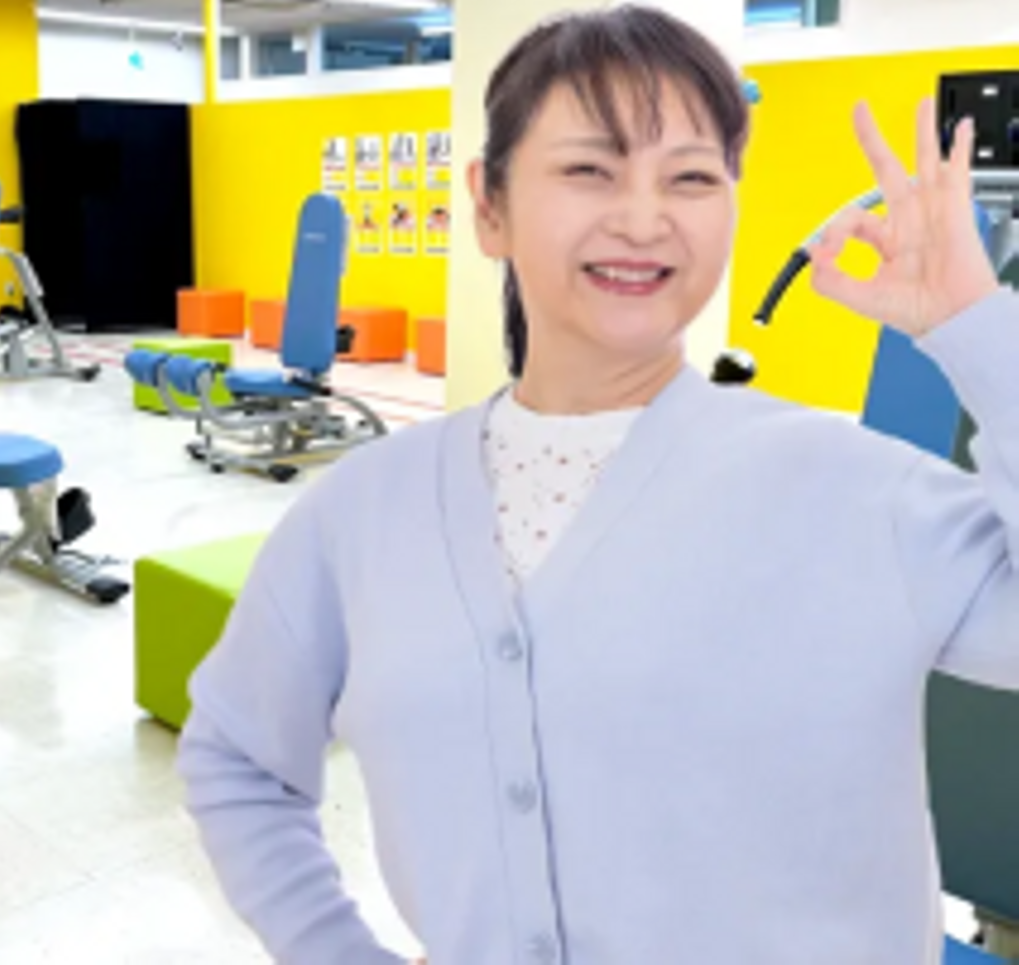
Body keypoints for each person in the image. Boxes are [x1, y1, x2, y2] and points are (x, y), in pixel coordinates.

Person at [175, 5, 1018, 964]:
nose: (644, 219)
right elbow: (236, 758)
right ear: (489, 206)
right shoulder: (359, 512)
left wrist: (977, 326)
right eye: (589, 169)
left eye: (691, 177)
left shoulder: (855, 491)